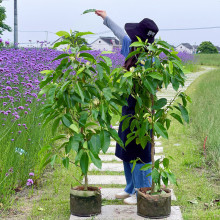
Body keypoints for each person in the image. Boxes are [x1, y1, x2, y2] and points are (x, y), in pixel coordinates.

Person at [95, 10, 159, 205]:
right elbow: (119, 33)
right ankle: (130, 188)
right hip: (127, 110)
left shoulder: (151, 59)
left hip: (142, 113)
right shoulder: (131, 48)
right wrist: (105, 18)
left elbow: (155, 88)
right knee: (125, 150)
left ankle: (142, 191)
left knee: (141, 152)